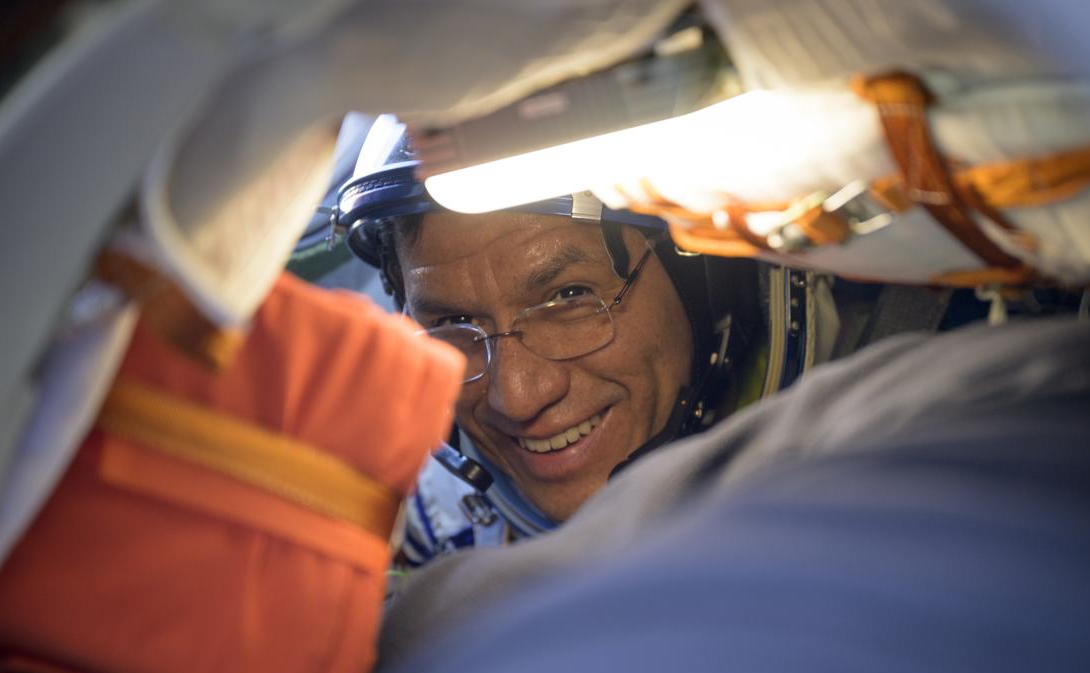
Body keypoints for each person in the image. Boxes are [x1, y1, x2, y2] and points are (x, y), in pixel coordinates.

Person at [335, 115, 833, 563]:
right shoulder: (411, 532)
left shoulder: (878, 461)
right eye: (451, 322)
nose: (518, 396)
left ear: (709, 279)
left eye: (568, 297)